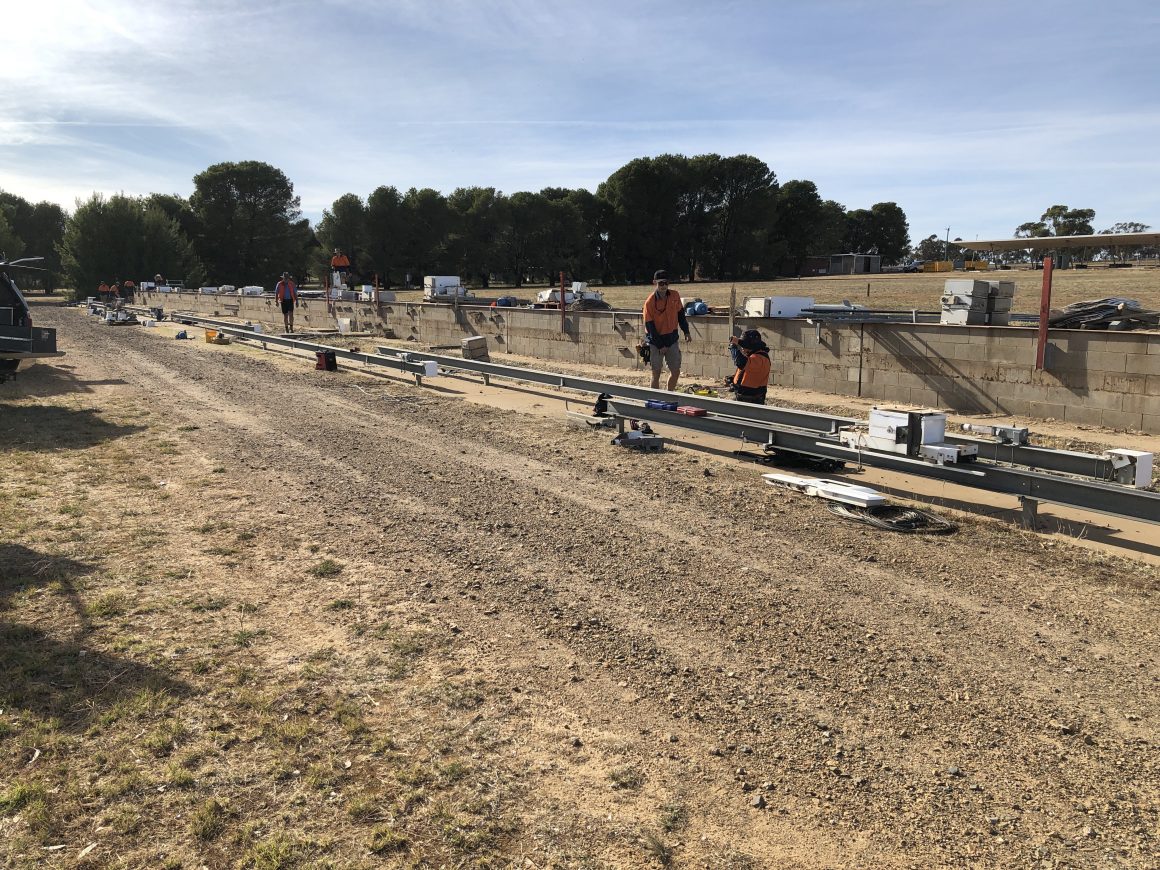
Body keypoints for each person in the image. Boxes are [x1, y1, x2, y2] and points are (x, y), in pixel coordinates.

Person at [642, 269, 691, 390]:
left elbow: (681, 315)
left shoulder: (675, 295)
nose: (664, 286)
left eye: (666, 283)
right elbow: (650, 327)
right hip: (655, 341)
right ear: (655, 283)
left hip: (672, 339)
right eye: (661, 283)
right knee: (656, 373)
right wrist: (660, 345)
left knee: (675, 371)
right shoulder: (649, 302)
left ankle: (669, 395)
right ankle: (655, 398)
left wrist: (686, 331)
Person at [728, 328, 772, 405]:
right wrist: (734, 380)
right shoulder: (754, 356)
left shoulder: (760, 358)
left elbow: (740, 363)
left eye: (744, 345)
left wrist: (733, 346)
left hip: (752, 399)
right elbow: (748, 372)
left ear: (751, 346)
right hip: (745, 398)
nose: (742, 348)